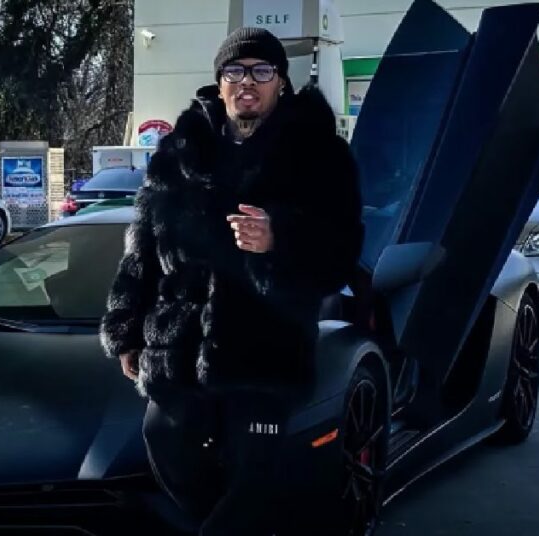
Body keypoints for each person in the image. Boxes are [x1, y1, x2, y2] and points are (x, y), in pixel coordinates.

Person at [100, 27, 363, 535]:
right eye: (235, 71)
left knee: (253, 475)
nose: (248, 82)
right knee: (164, 442)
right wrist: (127, 328)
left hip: (265, 350)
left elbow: (342, 253)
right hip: (176, 347)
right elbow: (142, 249)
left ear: (281, 84)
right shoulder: (179, 152)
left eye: (262, 71)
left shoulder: (319, 155)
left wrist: (279, 239)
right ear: (219, 83)